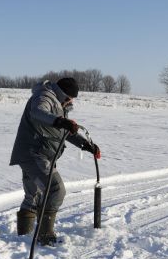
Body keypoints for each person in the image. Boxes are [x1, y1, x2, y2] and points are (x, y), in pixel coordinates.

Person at [9, 77, 101, 245]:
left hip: (35, 154)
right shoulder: (44, 97)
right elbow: (38, 112)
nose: (71, 101)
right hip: (33, 154)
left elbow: (63, 132)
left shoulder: (59, 104)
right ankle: (45, 236)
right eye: (70, 97)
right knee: (56, 189)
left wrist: (85, 144)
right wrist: (60, 121)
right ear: (63, 93)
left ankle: (23, 238)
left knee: (33, 195)